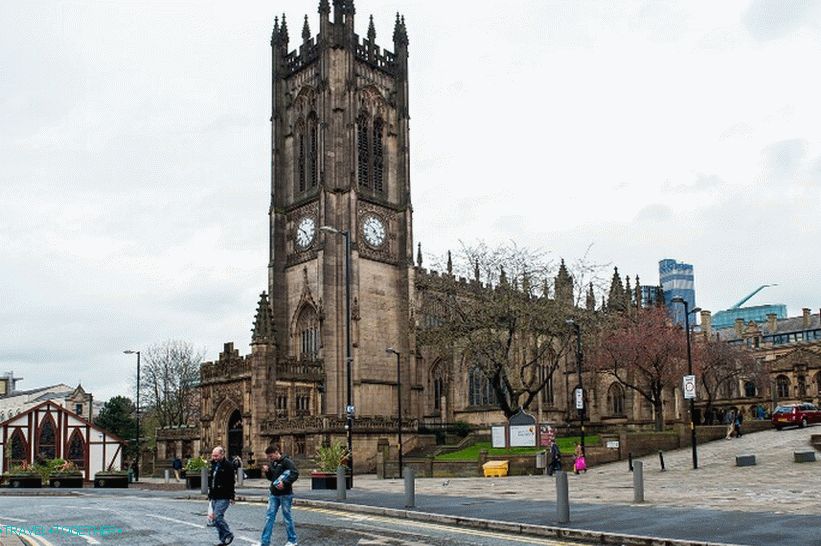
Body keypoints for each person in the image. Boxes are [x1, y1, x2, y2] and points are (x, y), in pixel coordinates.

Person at [260, 444, 299, 546]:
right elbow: (272, 478)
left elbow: (295, 473)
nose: (269, 458)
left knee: (287, 517)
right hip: (274, 494)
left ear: (277, 452)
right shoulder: (273, 463)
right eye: (268, 457)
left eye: (271, 456)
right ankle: (265, 542)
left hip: (285, 494)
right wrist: (268, 472)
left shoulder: (287, 462)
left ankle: (292, 540)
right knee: (269, 517)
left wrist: (285, 483)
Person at [207, 446, 235, 546]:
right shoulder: (214, 464)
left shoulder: (228, 465)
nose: (214, 457)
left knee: (217, 517)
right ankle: (223, 540)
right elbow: (212, 480)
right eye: (213, 455)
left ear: (222, 454)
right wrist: (210, 494)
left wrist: (232, 496)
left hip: (224, 496)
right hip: (214, 495)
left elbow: (231, 482)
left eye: (216, 455)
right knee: (215, 519)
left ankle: (228, 534)